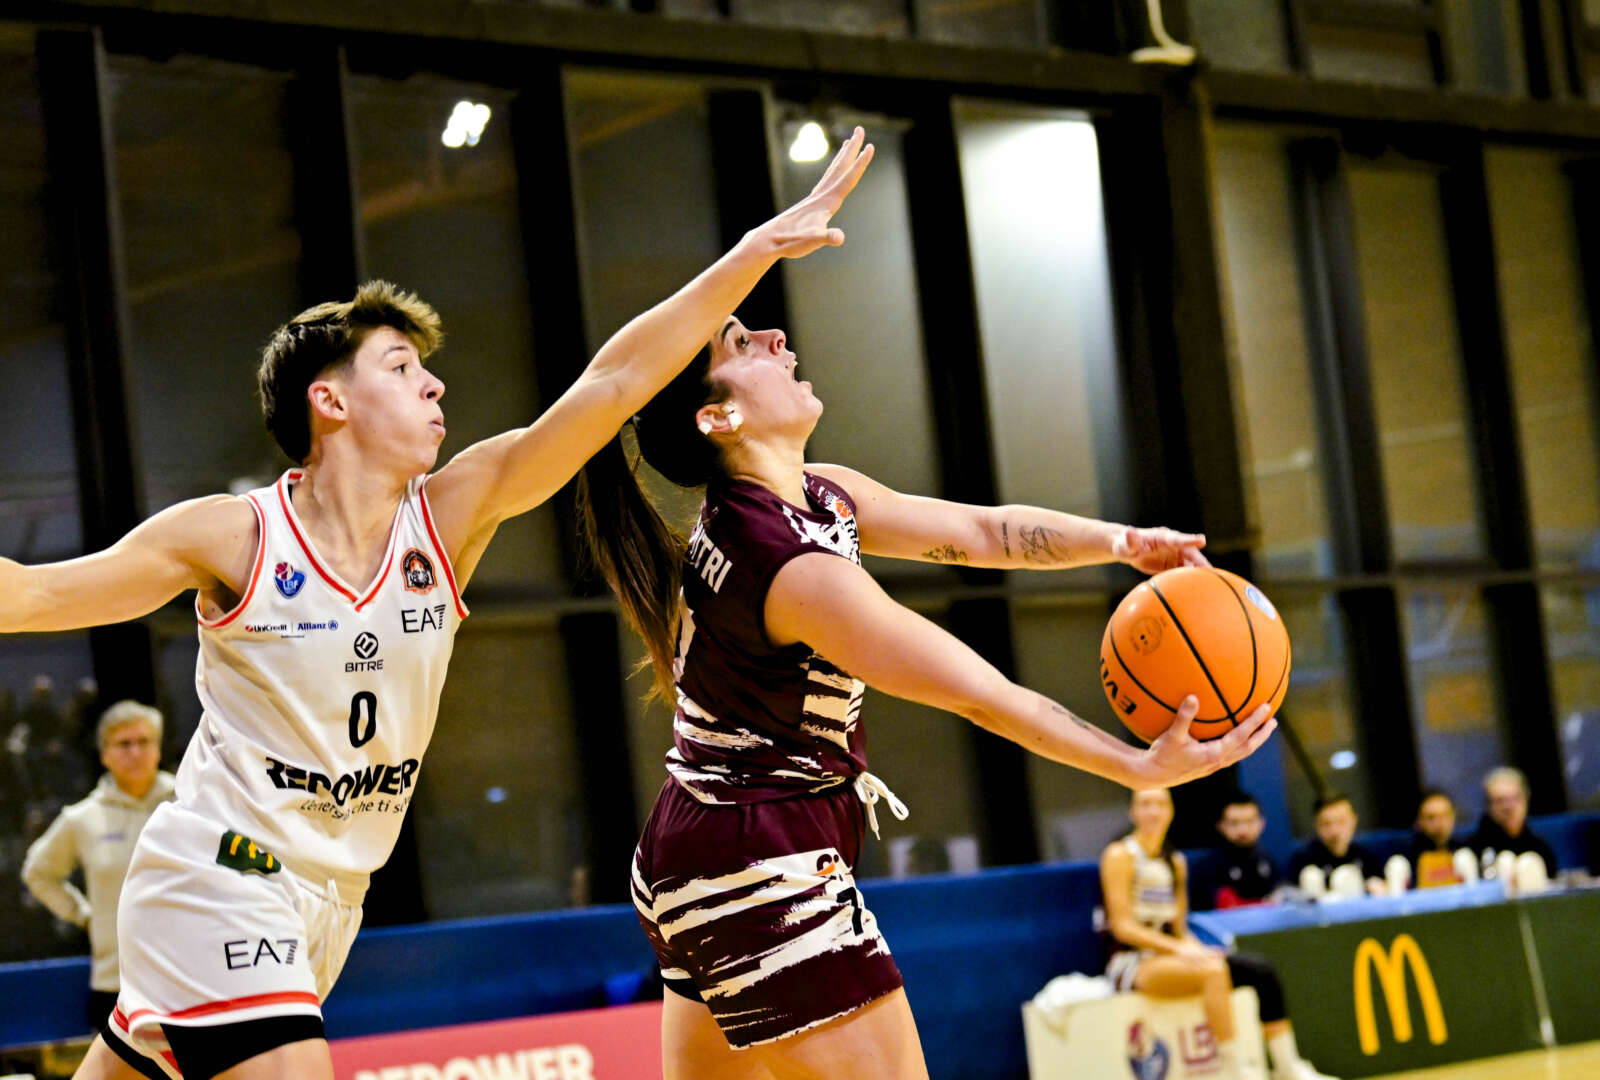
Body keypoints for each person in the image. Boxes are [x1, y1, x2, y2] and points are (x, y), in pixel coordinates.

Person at [1, 129, 876, 1080]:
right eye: (401, 368)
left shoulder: (451, 518)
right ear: (329, 403)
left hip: (332, 901)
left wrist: (750, 255)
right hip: (222, 876)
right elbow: (34, 592)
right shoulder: (233, 536)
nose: (436, 381)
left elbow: (613, 385)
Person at [576, 241, 1278, 1077]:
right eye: (739, 344)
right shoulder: (789, 567)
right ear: (717, 416)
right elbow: (980, 693)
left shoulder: (810, 497)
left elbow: (981, 534)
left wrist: (1123, 543)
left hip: (698, 848)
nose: (773, 337)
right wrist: (1135, 765)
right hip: (757, 859)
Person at [1099, 789, 1336, 1080]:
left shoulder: (1175, 861)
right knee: (1213, 972)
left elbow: (1179, 929)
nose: (1153, 811)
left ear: (1171, 811)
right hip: (1130, 962)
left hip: (1170, 954)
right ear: (1132, 812)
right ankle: (1235, 1069)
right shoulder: (1120, 855)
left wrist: (1195, 947)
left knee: (1252, 969)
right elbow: (1123, 926)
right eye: (1145, 804)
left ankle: (1287, 1066)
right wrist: (1180, 950)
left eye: (1160, 803)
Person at [22, 701, 176, 1031]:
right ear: (104, 754)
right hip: (117, 985)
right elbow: (38, 873)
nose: (135, 752)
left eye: (144, 741)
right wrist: (82, 914)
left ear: (158, 748)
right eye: (124, 744)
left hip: (193, 976)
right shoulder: (81, 818)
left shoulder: (190, 803)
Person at [1467, 766, 1556, 879]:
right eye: (1500, 801)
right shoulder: (1474, 852)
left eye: (1515, 799)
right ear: (1488, 806)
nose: (1508, 807)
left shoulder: (1541, 849)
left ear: (1526, 801)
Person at [1286, 794, 1382, 895]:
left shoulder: (1366, 857)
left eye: (1341, 822)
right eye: (1326, 824)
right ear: (1316, 826)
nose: (1334, 831)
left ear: (1354, 820)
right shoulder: (1302, 860)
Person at [1206, 791, 1282, 909]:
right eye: (1234, 823)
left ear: (1262, 823)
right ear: (1221, 826)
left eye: (1249, 821)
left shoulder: (1269, 861)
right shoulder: (1209, 866)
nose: (1243, 830)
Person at [1405, 788, 1461, 888]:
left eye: (1445, 815)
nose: (1439, 824)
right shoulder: (1407, 857)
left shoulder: (1467, 848)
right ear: (1419, 821)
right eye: (1431, 817)